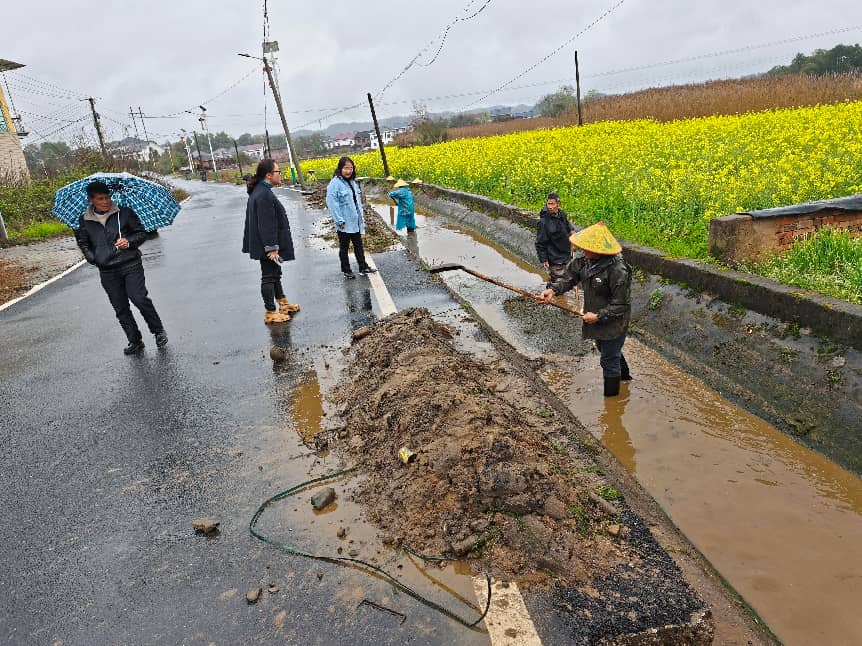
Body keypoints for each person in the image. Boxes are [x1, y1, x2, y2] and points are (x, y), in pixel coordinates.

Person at [539, 221, 632, 396]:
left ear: (600, 250)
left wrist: (599, 316)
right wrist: (553, 290)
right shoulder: (584, 262)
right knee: (607, 350)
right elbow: (569, 278)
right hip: (594, 316)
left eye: (588, 248)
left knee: (609, 360)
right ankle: (625, 379)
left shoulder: (618, 270)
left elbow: (621, 304)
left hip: (613, 322)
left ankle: (612, 404)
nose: (583, 250)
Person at [74, 181, 167, 355]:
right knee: (120, 307)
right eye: (100, 199)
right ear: (91, 199)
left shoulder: (124, 213)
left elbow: (141, 233)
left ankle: (158, 331)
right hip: (107, 270)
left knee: (139, 298)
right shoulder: (84, 220)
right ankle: (135, 340)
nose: (105, 201)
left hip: (130, 264)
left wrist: (129, 242)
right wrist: (94, 259)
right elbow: (83, 243)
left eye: (107, 197)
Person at [242, 159, 300, 325]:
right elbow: (266, 224)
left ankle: (283, 303)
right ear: (268, 175)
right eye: (278, 171)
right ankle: (270, 312)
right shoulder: (264, 194)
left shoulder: (261, 190)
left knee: (275, 273)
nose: (280, 174)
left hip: (266, 244)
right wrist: (272, 248)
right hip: (266, 245)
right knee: (268, 276)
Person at [325, 156, 377, 279]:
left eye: (351, 168)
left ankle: (363, 266)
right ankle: (346, 270)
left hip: (355, 221)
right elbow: (332, 203)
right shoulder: (335, 184)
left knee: (358, 245)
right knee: (344, 247)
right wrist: (339, 220)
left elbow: (357, 201)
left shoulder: (352, 182)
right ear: (340, 169)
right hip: (344, 222)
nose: (348, 171)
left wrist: (361, 219)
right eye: (345, 168)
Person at [535, 192, 573, 285]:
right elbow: (540, 242)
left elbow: (568, 225)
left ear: (558, 204)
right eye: (548, 204)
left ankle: (551, 292)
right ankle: (552, 297)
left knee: (566, 278)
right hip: (554, 256)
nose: (550, 206)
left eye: (552, 204)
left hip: (565, 253)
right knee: (559, 281)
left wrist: (572, 232)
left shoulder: (562, 214)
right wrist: (543, 259)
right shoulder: (543, 222)